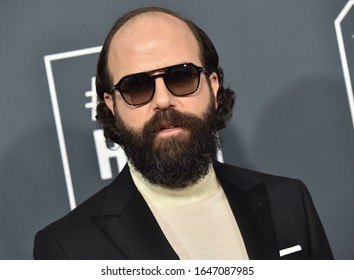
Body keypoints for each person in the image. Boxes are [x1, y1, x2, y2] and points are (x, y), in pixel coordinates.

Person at [33, 7, 333, 260]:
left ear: (213, 86)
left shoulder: (288, 202)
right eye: (136, 86)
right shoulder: (68, 249)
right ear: (111, 106)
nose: (163, 100)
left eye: (181, 76)